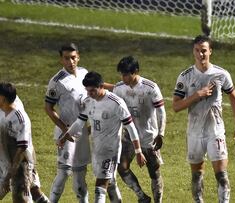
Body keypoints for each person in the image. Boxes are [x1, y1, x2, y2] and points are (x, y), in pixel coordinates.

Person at [172, 35, 235, 203]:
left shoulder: (221, 74)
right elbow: (176, 106)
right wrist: (197, 95)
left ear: (210, 51)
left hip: (216, 132)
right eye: (197, 50)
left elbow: (233, 97)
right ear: (193, 52)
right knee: (197, 177)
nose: (200, 54)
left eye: (204, 50)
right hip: (194, 134)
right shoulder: (185, 76)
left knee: (222, 176)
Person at [59, 71, 147, 203]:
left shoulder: (116, 103)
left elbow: (131, 127)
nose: (89, 94)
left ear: (101, 87)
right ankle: (141, 198)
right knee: (110, 183)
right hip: (96, 150)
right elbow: (79, 122)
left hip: (111, 151)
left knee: (100, 186)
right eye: (87, 91)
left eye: (93, 90)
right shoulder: (88, 101)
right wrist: (65, 136)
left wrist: (138, 151)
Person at [110, 56, 166, 203]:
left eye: (126, 74)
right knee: (122, 168)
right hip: (129, 137)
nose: (124, 77)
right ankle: (142, 197)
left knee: (154, 173)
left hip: (149, 138)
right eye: (122, 74)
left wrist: (161, 133)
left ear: (136, 71)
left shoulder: (150, 88)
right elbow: (114, 111)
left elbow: (161, 112)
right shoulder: (119, 88)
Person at [44, 43, 91, 203]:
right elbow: (48, 108)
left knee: (80, 176)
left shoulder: (85, 73)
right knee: (64, 172)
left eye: (73, 57)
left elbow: (97, 91)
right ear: (61, 60)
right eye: (66, 58)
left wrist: (118, 87)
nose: (70, 61)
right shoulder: (57, 81)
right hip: (66, 131)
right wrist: (65, 129)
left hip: (82, 132)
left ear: (78, 56)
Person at [0, 82, 50, 202]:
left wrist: (10, 174)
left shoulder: (19, 118)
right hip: (4, 160)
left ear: (3, 98)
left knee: (22, 197)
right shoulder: (5, 107)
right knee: (34, 191)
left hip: (20, 164)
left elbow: (22, 147)